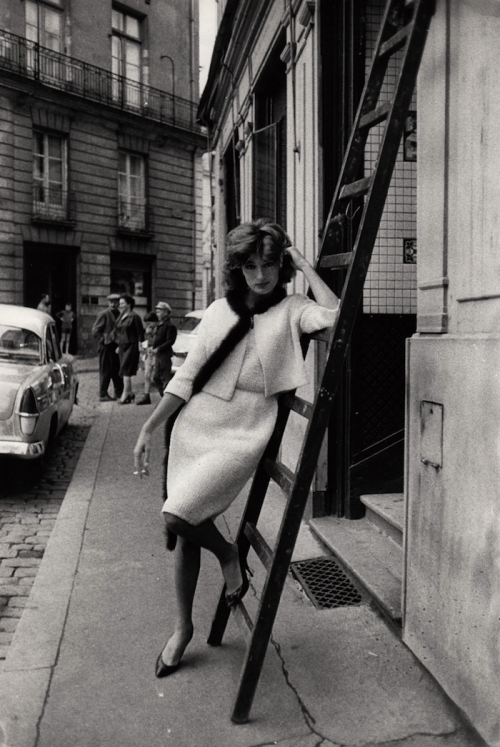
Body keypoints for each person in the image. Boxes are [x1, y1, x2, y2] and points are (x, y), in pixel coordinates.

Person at [133, 219, 340, 678]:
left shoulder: (293, 309)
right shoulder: (217, 311)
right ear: (238, 268)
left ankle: (228, 555)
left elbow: (338, 317)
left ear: (280, 266)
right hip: (196, 428)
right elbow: (185, 379)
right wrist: (149, 428)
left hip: (244, 433)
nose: (261, 275)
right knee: (186, 528)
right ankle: (182, 629)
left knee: (178, 513)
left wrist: (303, 263)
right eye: (250, 265)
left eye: (269, 264)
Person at [92, 294, 123, 402]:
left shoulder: (120, 314)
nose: (113, 304)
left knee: (117, 370)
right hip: (105, 347)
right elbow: (95, 331)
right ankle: (103, 394)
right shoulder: (103, 314)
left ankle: (119, 393)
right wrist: (103, 340)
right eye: (111, 302)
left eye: (116, 302)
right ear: (108, 303)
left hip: (116, 346)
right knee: (105, 370)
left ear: (119, 303)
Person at [115, 293, 144, 404]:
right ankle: (130, 393)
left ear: (129, 304)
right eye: (120, 303)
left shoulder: (135, 316)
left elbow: (140, 332)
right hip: (122, 346)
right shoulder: (121, 315)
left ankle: (125, 394)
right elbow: (119, 331)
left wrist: (140, 345)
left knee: (125, 369)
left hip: (132, 345)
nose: (120, 305)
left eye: (122, 303)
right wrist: (118, 345)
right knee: (124, 370)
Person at [152, 301, 177, 397]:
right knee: (156, 377)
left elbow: (170, 341)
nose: (157, 313)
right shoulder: (159, 325)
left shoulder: (170, 326)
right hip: (158, 355)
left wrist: (158, 349)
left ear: (166, 312)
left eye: (159, 311)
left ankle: (166, 400)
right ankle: (163, 397)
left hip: (165, 355)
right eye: (157, 311)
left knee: (166, 378)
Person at [136, 311, 158, 406]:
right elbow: (141, 340)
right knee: (147, 375)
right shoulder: (145, 330)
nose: (147, 325)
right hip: (148, 354)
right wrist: (140, 346)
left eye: (149, 322)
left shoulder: (159, 329)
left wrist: (153, 334)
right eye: (146, 323)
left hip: (157, 354)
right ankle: (146, 395)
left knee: (158, 376)